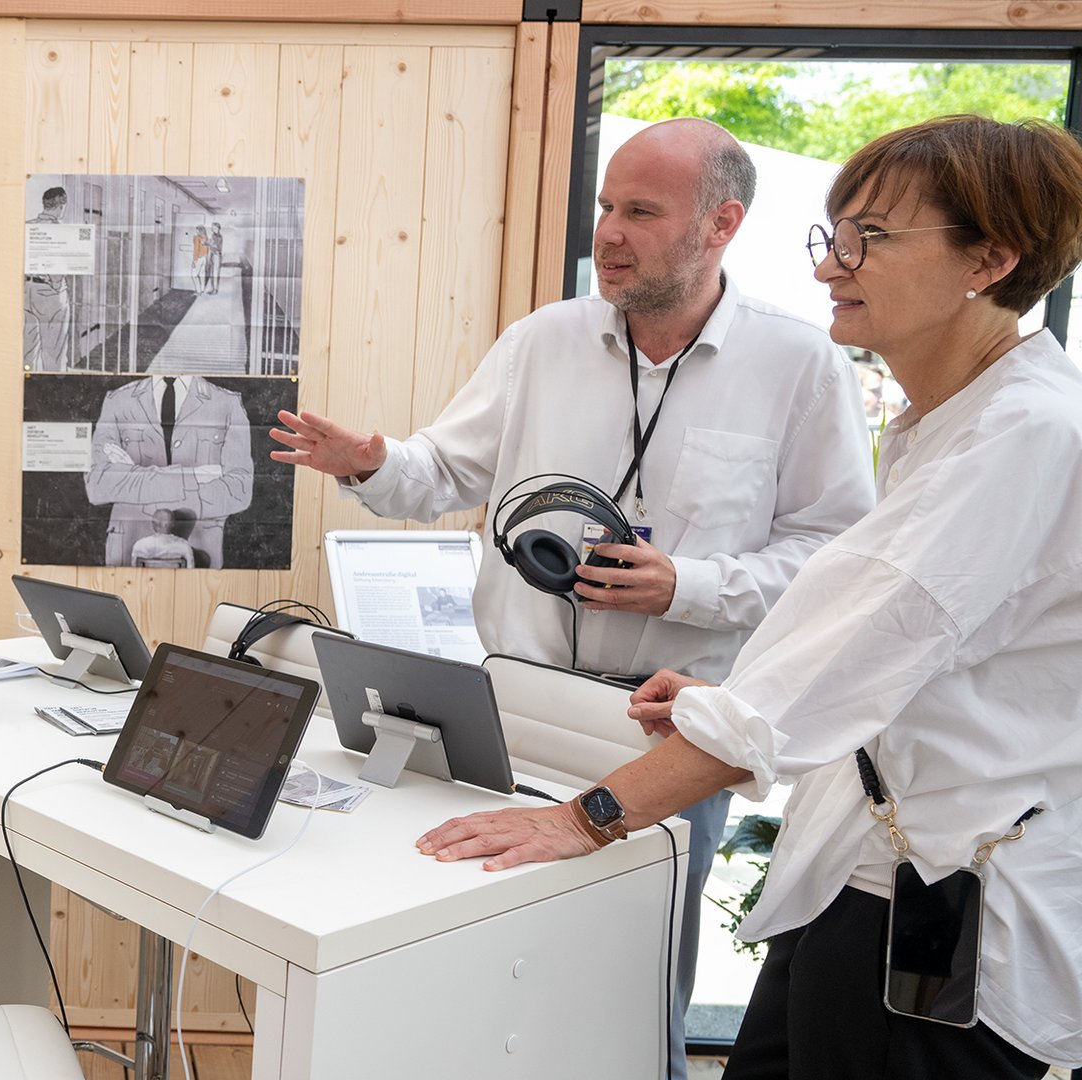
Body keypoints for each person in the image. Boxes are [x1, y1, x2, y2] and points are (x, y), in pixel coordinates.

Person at [415, 115, 1082, 1079]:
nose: (830, 267)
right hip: (855, 867)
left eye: (871, 240)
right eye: (832, 236)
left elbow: (851, 645)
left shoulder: (1022, 436)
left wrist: (584, 818)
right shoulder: (942, 420)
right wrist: (721, 696)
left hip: (944, 893)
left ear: (990, 259)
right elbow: (897, 643)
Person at [269, 117, 876, 1080]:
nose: (609, 232)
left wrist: (694, 584)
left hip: (666, 737)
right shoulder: (545, 339)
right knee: (486, 972)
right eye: (604, 207)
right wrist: (374, 461)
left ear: (722, 224)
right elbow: (443, 472)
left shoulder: (801, 366)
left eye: (640, 210)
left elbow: (837, 557)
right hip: (512, 711)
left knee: (629, 997)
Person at [88, 373, 253, 569]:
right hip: (129, 551)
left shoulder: (226, 403)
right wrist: (192, 477)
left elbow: (239, 490)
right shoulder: (118, 401)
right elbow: (97, 485)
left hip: (200, 552)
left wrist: (133, 474)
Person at [24, 185, 72, 371]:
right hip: (50, 293)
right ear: (61, 206)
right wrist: (57, 285)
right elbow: (58, 267)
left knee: (27, 351)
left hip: (24, 290)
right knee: (54, 351)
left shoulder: (27, 226)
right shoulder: (60, 230)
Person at [131, 507, 197, 568]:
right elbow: (190, 574)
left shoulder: (139, 545)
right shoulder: (184, 547)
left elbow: (134, 573)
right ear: (173, 524)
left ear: (153, 524)